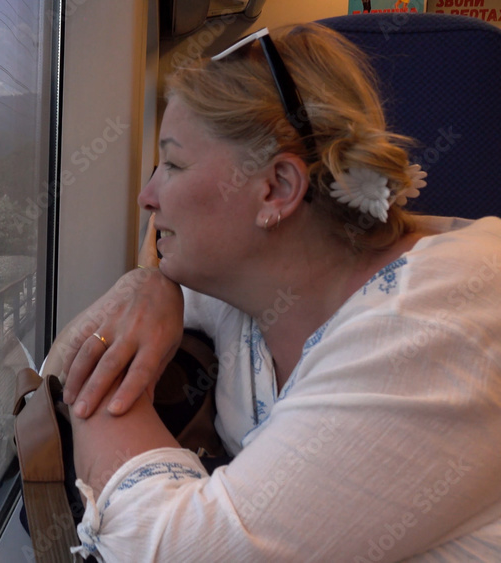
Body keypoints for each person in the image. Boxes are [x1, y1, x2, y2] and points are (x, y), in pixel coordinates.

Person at [42, 23, 501, 561]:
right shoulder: (247, 290)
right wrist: (148, 283)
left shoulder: (434, 322)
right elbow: (53, 377)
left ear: (276, 188)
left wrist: (103, 384)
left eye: (173, 164)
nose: (147, 197)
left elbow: (176, 550)